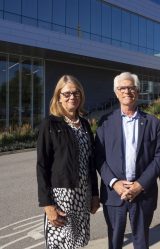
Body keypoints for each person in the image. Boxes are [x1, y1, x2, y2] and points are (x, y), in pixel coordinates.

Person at [95, 72, 160, 249]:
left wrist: (140, 185)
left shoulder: (153, 123)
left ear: (138, 91)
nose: (127, 91)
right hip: (114, 194)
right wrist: (115, 183)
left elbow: (159, 157)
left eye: (131, 87)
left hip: (142, 193)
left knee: (141, 241)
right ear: (116, 92)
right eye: (122, 88)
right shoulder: (105, 122)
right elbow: (98, 157)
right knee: (114, 241)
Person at [36, 75, 100, 249]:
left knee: (78, 241)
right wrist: (47, 204)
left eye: (76, 92)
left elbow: (90, 163)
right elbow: (42, 166)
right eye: (66, 94)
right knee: (60, 243)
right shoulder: (49, 124)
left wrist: (95, 194)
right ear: (58, 97)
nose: (72, 97)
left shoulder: (85, 125)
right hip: (61, 197)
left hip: (83, 195)